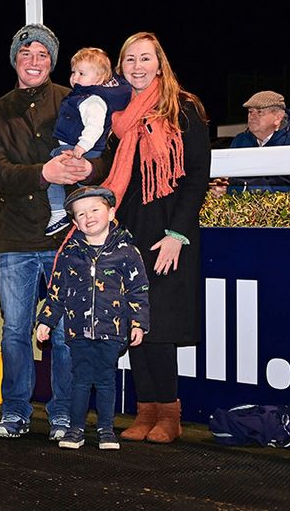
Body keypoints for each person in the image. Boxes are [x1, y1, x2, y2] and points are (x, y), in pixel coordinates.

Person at [0, 23, 105, 441]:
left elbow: (104, 154)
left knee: (64, 334)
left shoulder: (75, 99)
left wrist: (89, 167)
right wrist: (44, 173)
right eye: (26, 53)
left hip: (66, 241)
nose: (34, 61)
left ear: (53, 62)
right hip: (16, 238)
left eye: (42, 54)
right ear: (15, 60)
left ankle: (64, 415)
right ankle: (15, 411)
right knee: (15, 332)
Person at [101, 31, 210, 444]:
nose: (138, 66)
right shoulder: (118, 116)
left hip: (169, 230)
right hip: (129, 229)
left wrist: (177, 234)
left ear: (159, 63)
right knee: (136, 321)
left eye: (145, 58)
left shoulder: (183, 108)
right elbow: (111, 173)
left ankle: (169, 414)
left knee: (160, 323)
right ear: (121, 67)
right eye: (130, 59)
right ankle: (145, 411)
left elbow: (197, 176)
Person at [36, 185, 150, 450]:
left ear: (111, 213)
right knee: (80, 381)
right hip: (78, 331)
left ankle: (106, 430)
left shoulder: (128, 252)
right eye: (81, 214)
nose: (88, 217)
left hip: (112, 331)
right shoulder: (69, 253)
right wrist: (46, 321)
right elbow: (56, 291)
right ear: (75, 223)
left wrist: (138, 323)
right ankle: (75, 429)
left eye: (95, 210)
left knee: (106, 380)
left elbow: (138, 290)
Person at [45, 48, 131, 235]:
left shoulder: (92, 99)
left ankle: (58, 212)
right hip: (80, 148)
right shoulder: (83, 95)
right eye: (73, 72)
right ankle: (90, 214)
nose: (74, 77)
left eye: (81, 73)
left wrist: (81, 146)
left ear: (99, 79)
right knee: (83, 188)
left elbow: (95, 126)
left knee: (55, 170)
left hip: (81, 149)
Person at [210, 90, 290, 195]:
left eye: (259, 112)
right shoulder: (240, 141)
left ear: (278, 118)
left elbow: (287, 187)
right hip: (249, 205)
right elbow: (231, 177)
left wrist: (239, 188)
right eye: (250, 112)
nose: (252, 116)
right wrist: (223, 186)